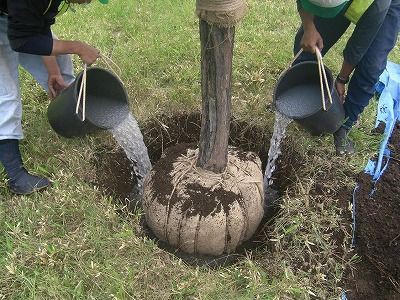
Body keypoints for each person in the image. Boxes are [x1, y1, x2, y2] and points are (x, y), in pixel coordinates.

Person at [0, 0, 107, 195]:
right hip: (11, 21)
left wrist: (53, 71)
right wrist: (77, 47)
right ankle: (16, 177)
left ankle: (76, 120)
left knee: (60, 59)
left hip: (14, 17)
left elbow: (38, 25)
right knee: (6, 95)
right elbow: (22, 40)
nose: (89, 2)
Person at [293, 0, 400, 155]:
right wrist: (309, 27)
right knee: (307, 47)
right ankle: (301, 102)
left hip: (382, 5)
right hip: (337, 2)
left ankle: (344, 126)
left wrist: (342, 78)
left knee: (371, 67)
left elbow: (360, 44)